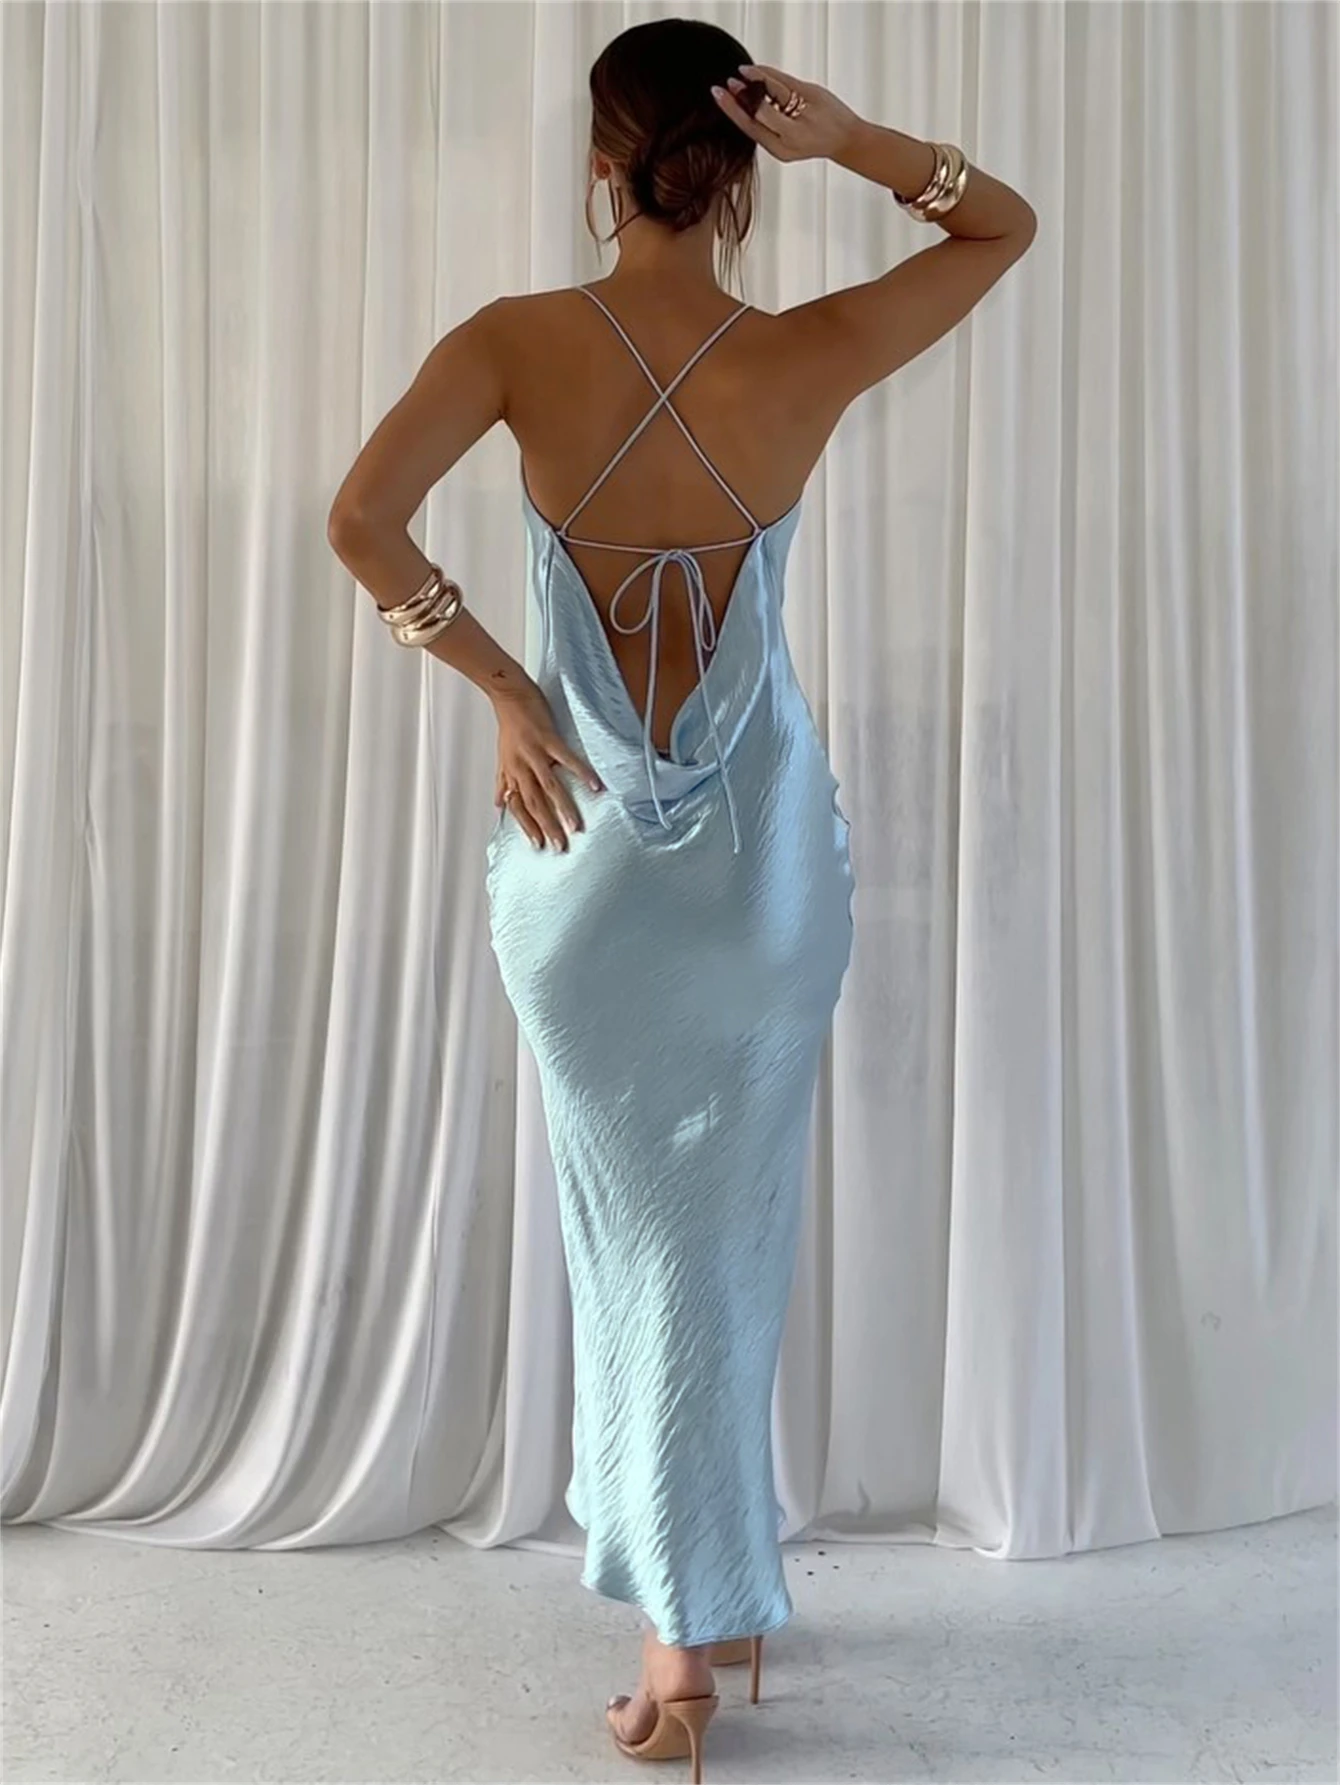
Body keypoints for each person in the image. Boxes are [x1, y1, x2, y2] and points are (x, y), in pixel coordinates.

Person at [328, 16, 1035, 1779]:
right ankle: (710, 1598)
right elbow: (1001, 224)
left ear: (603, 161)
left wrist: (507, 691)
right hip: (763, 872)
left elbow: (362, 521)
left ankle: (682, 1643)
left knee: (640, 1244)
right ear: (737, 163)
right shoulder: (806, 354)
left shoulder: (515, 341)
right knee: (721, 1241)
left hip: (581, 868)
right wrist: (855, 143)